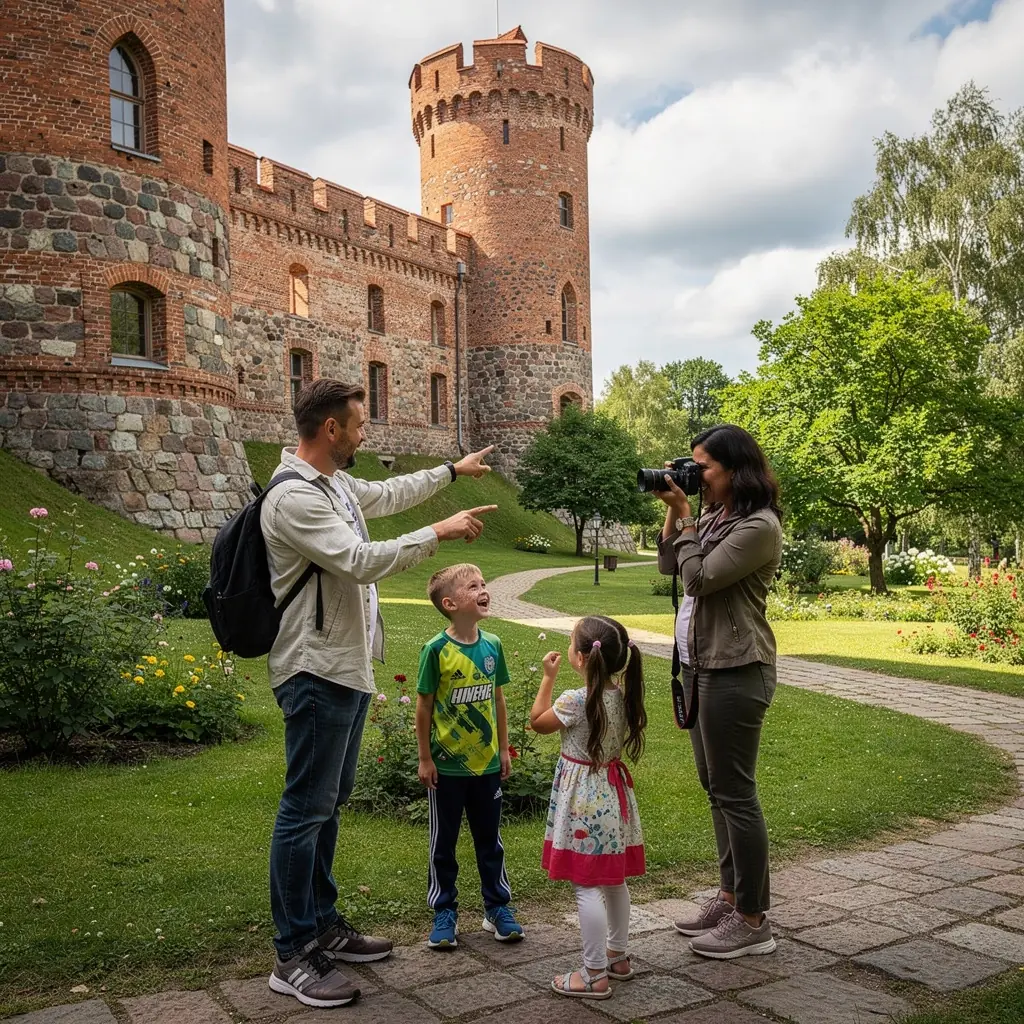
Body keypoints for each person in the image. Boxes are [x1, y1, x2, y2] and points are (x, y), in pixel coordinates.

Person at [262, 378, 499, 1009]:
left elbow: (390, 493)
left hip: (345, 667)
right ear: (331, 429)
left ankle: (323, 925)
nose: (365, 434)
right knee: (305, 808)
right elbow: (360, 560)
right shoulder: (293, 497)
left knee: (328, 803)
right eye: (359, 425)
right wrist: (438, 534)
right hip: (314, 669)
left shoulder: (334, 484)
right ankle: (293, 953)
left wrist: (451, 471)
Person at [655, 423, 783, 961]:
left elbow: (700, 580)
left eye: (703, 467)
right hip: (700, 667)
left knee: (736, 792)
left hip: (736, 669)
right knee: (716, 788)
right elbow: (670, 565)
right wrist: (675, 513)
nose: (696, 475)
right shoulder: (714, 516)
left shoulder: (758, 526)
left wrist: (686, 517)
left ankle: (753, 920)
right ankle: (731, 898)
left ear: (735, 469)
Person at [530, 615, 647, 1000]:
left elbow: (537, 722)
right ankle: (617, 957)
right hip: (613, 797)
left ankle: (594, 974)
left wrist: (547, 679)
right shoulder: (623, 695)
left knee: (586, 885)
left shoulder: (574, 699)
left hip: (582, 803)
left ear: (581, 657)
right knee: (614, 881)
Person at [415, 563, 524, 949]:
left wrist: (504, 749)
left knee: (490, 841)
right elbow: (424, 706)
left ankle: (497, 908)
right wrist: (425, 758)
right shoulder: (436, 650)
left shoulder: (492, 645)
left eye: (483, 583)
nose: (483, 590)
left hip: (486, 766)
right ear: (450, 603)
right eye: (472, 586)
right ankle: (444, 911)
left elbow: (498, 700)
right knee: (443, 845)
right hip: (446, 769)